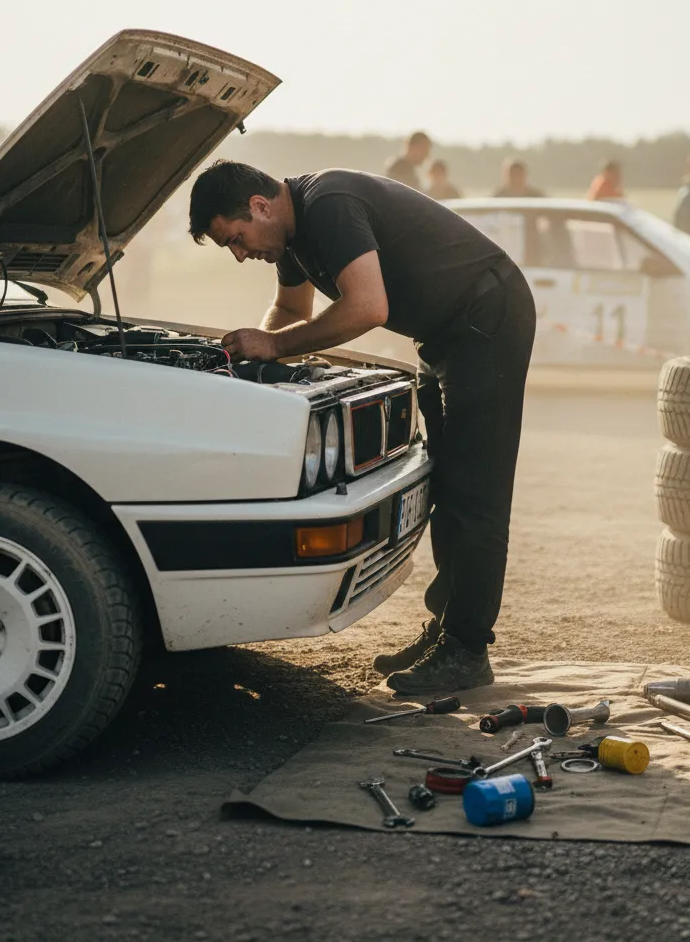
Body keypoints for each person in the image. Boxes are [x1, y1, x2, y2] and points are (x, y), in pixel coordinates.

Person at [188, 161, 536, 694]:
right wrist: (245, 373)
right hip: (445, 334)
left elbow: (368, 306)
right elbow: (289, 307)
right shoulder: (293, 235)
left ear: (260, 207)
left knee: (475, 492)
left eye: (236, 239)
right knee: (447, 485)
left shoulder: (328, 205)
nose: (240, 254)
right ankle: (448, 632)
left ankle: (468, 651)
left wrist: (276, 347)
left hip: (486, 318)